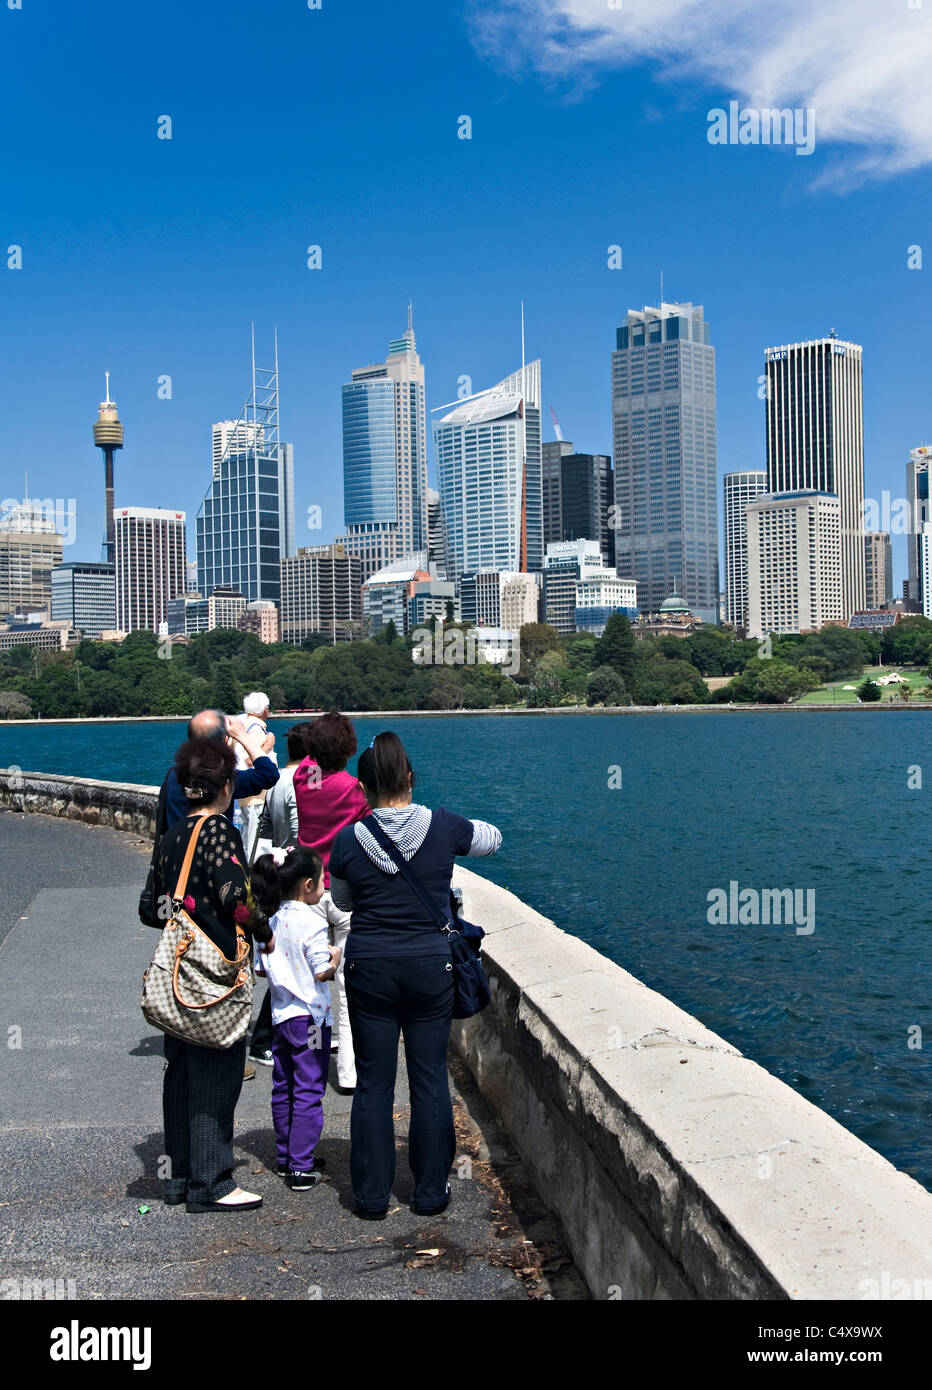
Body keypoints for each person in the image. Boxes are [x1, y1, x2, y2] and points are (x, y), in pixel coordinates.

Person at [328, 731, 501, 1220]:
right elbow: (493, 840)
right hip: (430, 967)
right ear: (409, 777)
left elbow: (342, 902)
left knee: (374, 1084)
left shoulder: (348, 839)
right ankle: (429, 1193)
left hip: (371, 968)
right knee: (428, 1079)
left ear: (363, 786)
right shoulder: (443, 826)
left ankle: (371, 1196)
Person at [156, 736, 274, 1212]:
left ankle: (179, 1177)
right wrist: (262, 929)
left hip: (178, 973)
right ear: (226, 785)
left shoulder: (172, 835)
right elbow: (235, 897)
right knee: (218, 1074)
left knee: (180, 1073)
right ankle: (214, 1184)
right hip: (214, 974)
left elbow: (152, 907)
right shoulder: (219, 831)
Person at [250, 847, 349, 1190]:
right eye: (322, 879)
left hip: (282, 1018)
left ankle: (285, 1155)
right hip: (313, 1022)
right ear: (307, 885)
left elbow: (261, 970)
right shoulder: (313, 923)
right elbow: (322, 972)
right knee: (310, 1088)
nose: (325, 884)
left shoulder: (271, 920)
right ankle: (301, 1165)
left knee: (284, 1085)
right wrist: (336, 956)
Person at [294, 711, 371, 1092]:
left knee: (310, 984)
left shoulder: (302, 779)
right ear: (349, 749)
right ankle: (349, 1073)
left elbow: (309, 762)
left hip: (308, 890)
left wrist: (317, 741)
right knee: (347, 985)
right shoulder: (353, 789)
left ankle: (309, 1067)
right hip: (343, 891)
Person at [163, 710, 279, 828]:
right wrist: (242, 736)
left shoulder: (173, 775)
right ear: (225, 740)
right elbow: (269, 774)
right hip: (212, 843)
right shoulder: (221, 777)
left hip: (177, 843)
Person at [235, 693, 278, 861]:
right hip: (256, 794)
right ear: (265, 709)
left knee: (247, 836)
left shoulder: (242, 725)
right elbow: (250, 759)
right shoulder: (257, 730)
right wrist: (268, 745)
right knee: (255, 839)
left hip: (244, 791)